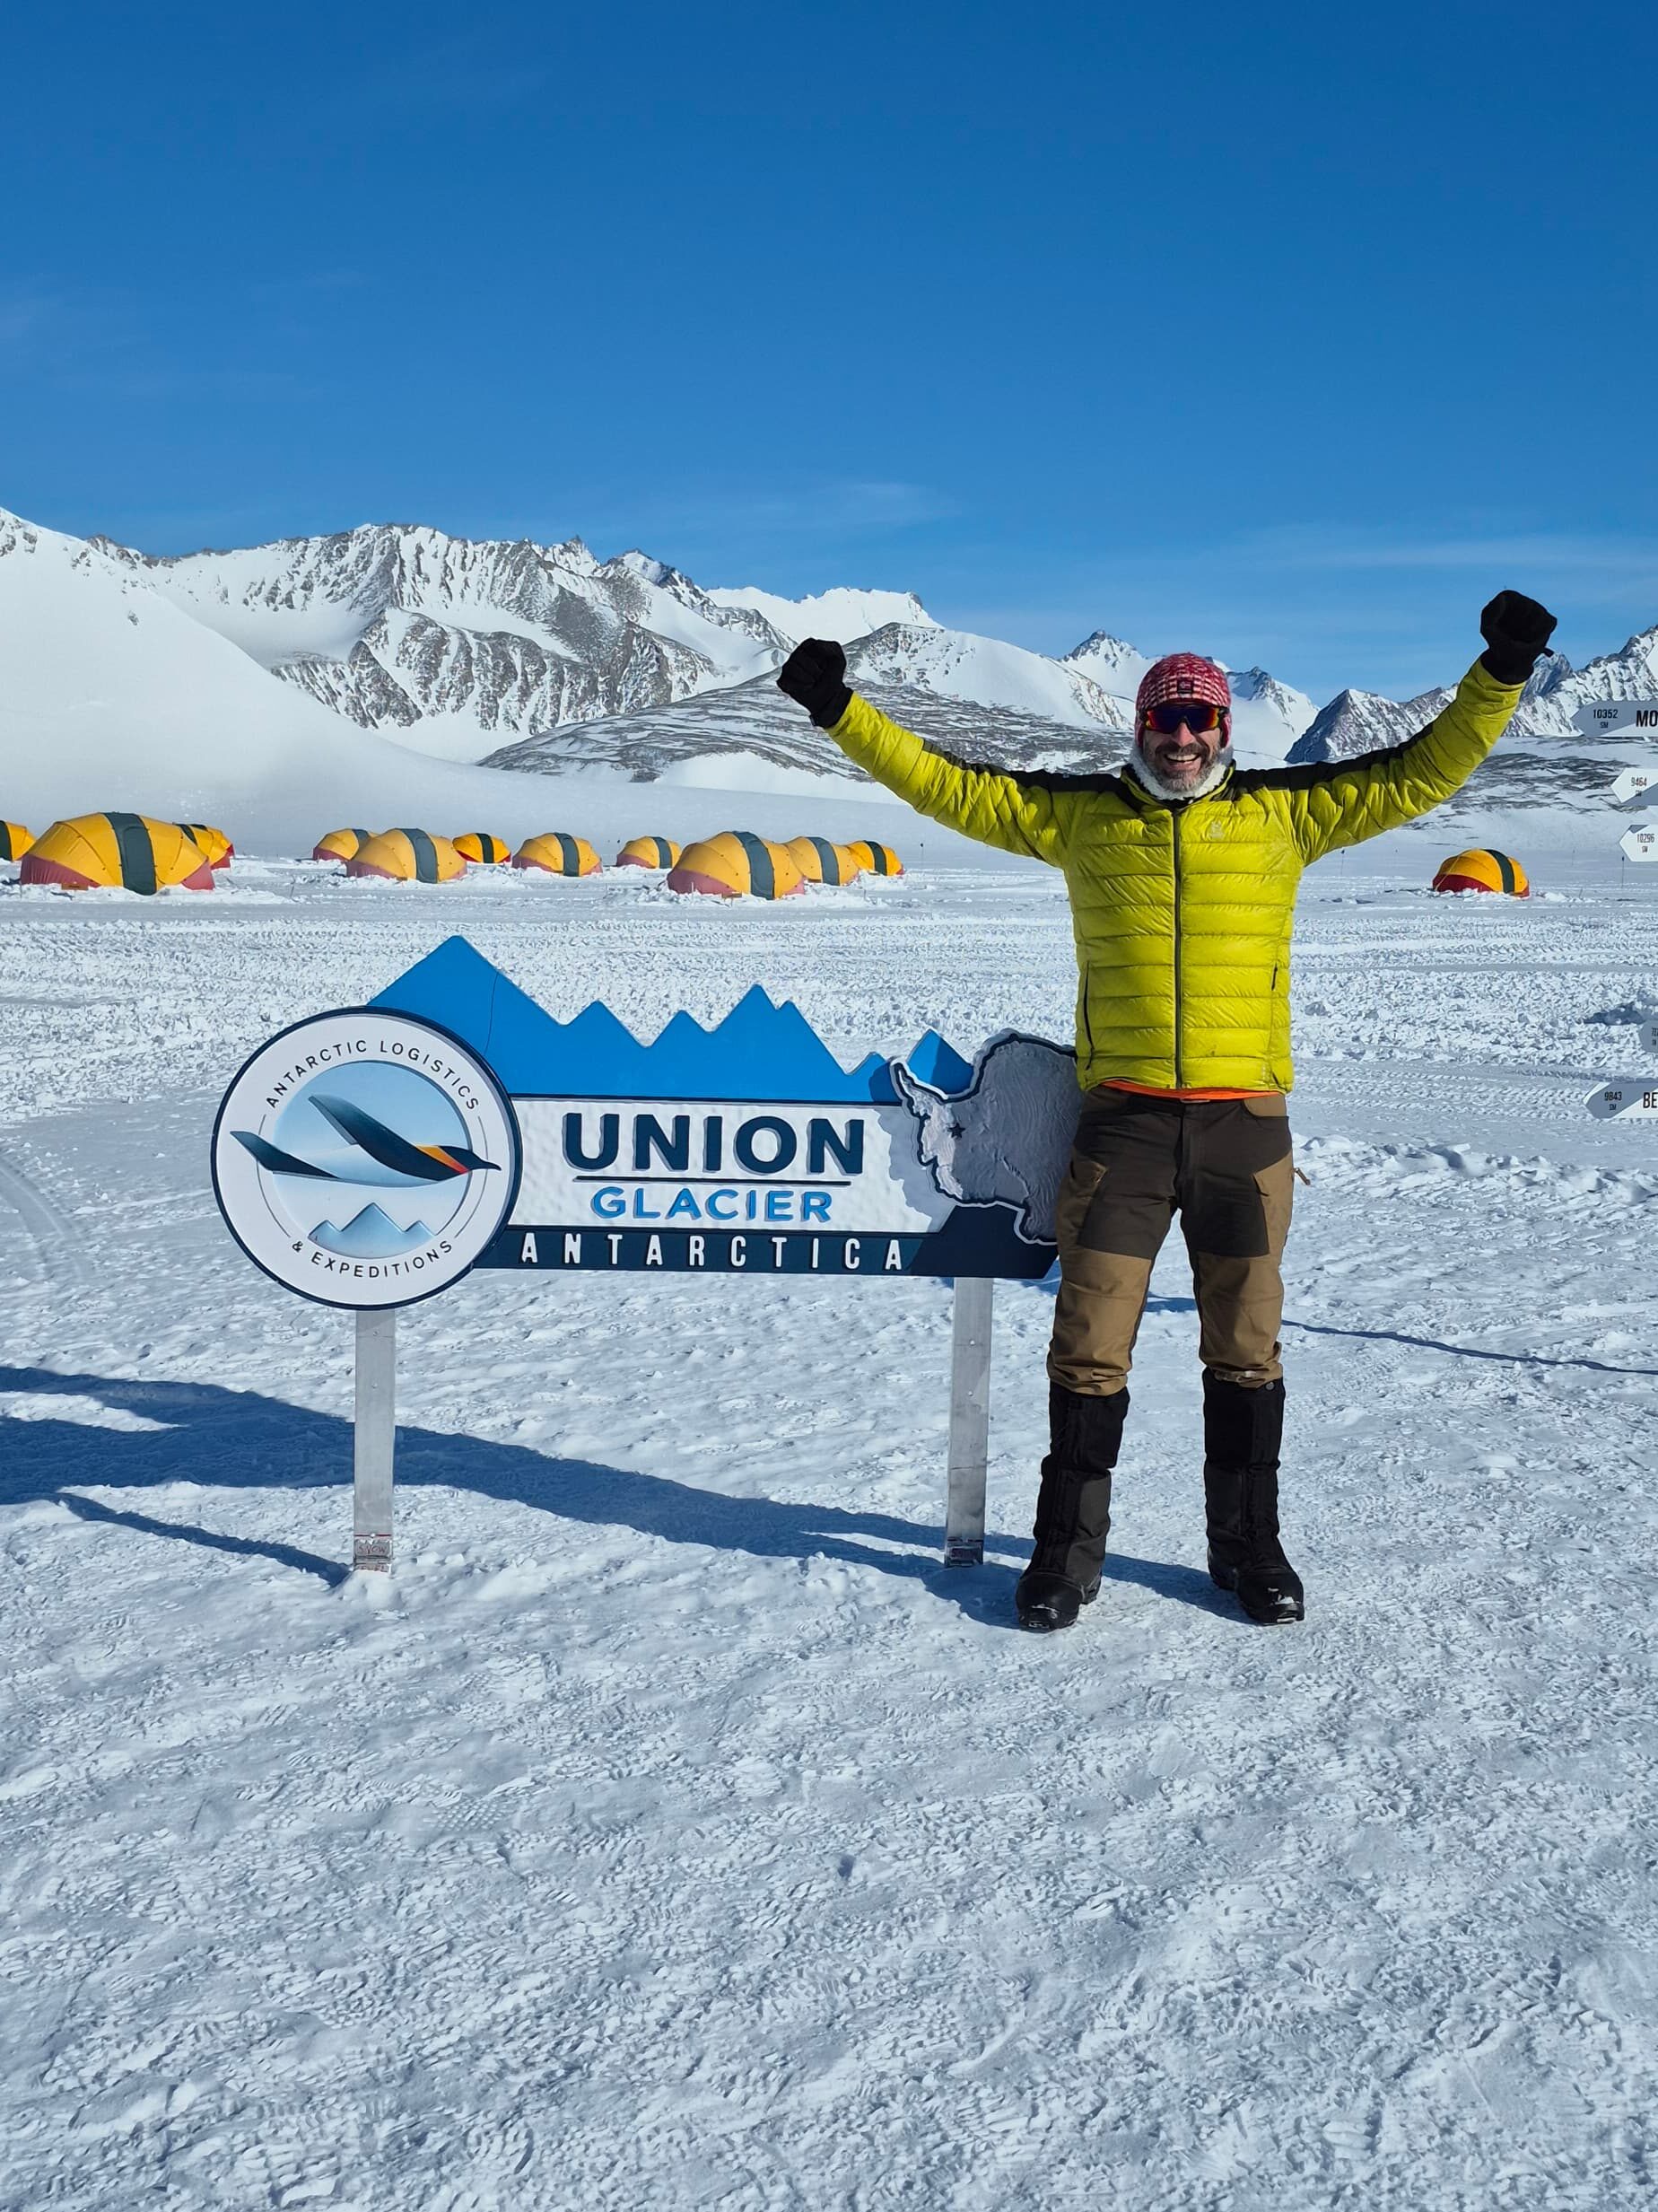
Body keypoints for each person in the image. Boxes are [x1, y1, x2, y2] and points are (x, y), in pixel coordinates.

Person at [775, 591, 1557, 1630]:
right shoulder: (1083, 816)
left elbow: (1423, 768)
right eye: (1163, 718)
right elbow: (948, 788)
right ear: (1137, 727)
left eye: (1199, 719)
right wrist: (842, 712)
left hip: (1244, 1126)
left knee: (1246, 1348)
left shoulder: (1287, 814)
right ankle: (1064, 1555)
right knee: (1087, 1346)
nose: (1181, 737)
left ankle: (1249, 1550)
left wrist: (1498, 674)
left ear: (1225, 730)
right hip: (1125, 1130)